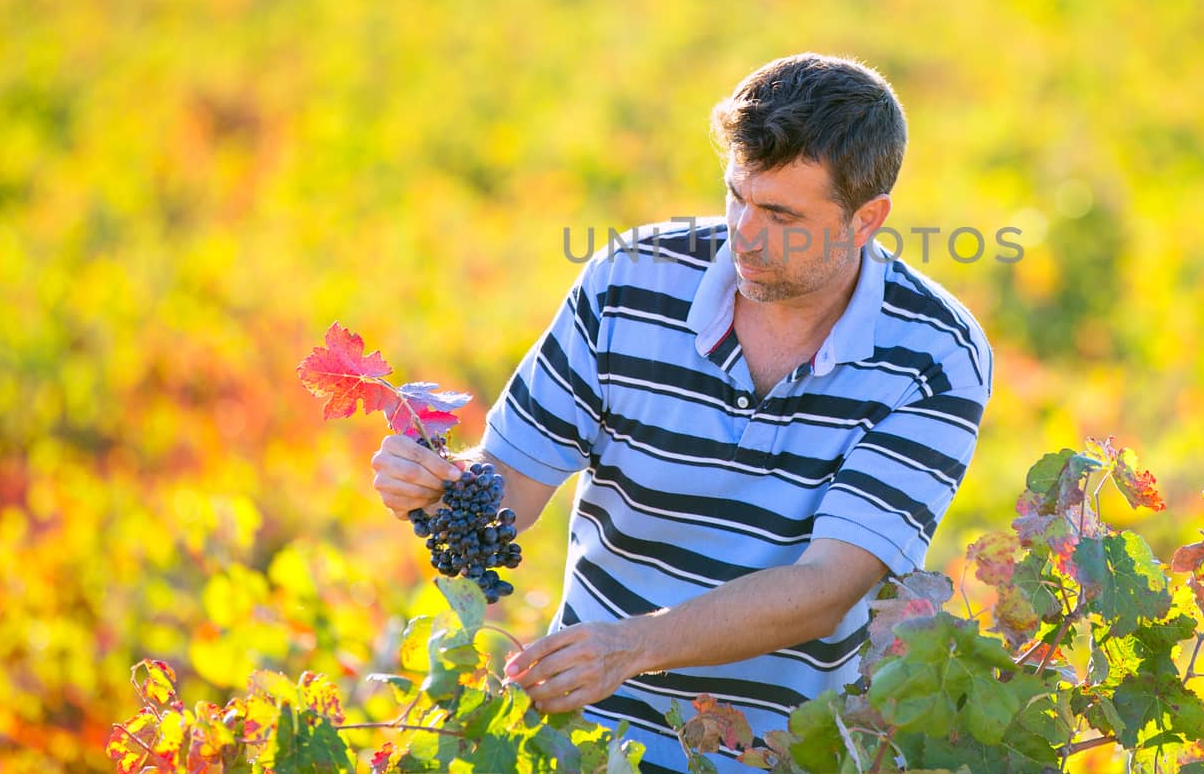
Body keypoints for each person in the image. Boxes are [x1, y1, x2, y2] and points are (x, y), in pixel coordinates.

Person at [370, 53, 993, 772]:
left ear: (866, 220)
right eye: (737, 197)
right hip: (587, 739)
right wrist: (441, 486)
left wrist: (633, 645)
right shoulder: (629, 283)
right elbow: (510, 483)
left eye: (781, 214)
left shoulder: (932, 353)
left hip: (779, 753)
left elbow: (829, 586)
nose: (744, 235)